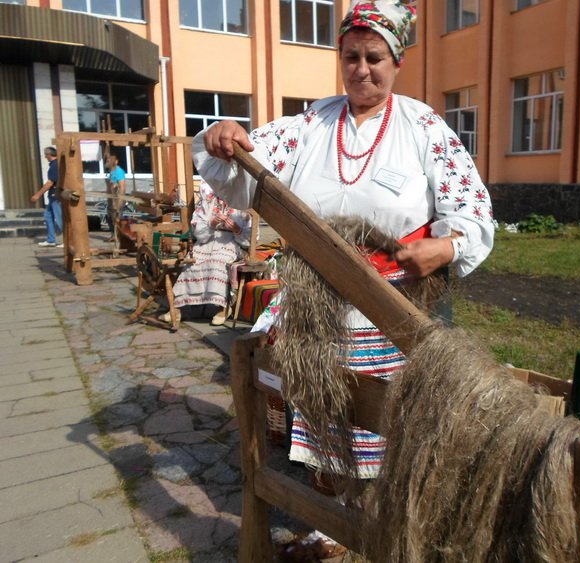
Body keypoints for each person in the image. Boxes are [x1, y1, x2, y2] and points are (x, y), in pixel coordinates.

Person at [194, 0, 493, 507]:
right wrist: (222, 136)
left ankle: (384, 515)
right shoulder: (312, 123)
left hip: (395, 305)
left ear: (397, 61)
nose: (361, 69)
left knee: (391, 417)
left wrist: (447, 246)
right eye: (351, 56)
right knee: (326, 410)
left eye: (374, 58)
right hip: (319, 304)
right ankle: (331, 518)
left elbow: (471, 210)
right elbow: (245, 165)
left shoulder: (423, 127)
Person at [159, 181, 253, 325]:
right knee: (192, 263)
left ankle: (223, 307)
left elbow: (251, 237)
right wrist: (211, 224)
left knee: (217, 262)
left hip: (231, 242)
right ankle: (179, 308)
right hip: (207, 241)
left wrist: (237, 229)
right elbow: (198, 230)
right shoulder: (208, 198)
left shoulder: (243, 201)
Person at [31, 146, 62, 247]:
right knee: (48, 216)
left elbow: (50, 183)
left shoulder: (54, 165)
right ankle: (51, 240)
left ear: (49, 155)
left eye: (45, 155)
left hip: (56, 195)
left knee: (60, 218)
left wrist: (37, 195)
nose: (45, 157)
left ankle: (67, 240)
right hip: (52, 196)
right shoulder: (54, 164)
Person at [106, 154, 127, 242]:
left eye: (109, 161)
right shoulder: (112, 171)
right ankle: (114, 235)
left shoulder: (119, 171)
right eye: (107, 161)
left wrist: (119, 202)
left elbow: (122, 187)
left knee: (117, 218)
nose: (108, 162)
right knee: (109, 217)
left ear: (116, 162)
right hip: (111, 199)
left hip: (117, 199)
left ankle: (119, 237)